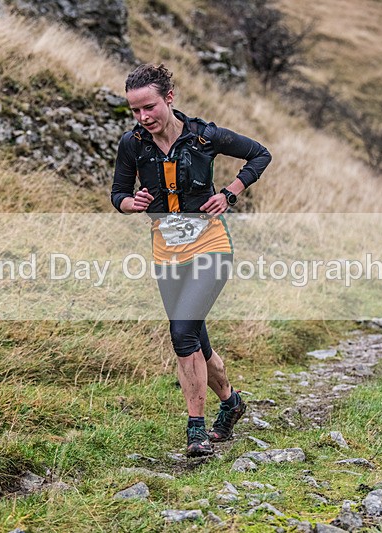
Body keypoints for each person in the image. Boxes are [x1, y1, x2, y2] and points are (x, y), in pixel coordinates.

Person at [110, 64, 272, 457]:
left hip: (210, 247)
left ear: (169, 98)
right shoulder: (133, 144)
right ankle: (231, 403)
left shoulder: (203, 136)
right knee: (197, 341)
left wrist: (230, 193)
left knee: (182, 334)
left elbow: (259, 155)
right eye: (134, 111)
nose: (143, 117)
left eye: (148, 107)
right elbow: (118, 194)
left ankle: (195, 429)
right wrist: (134, 204)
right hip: (166, 254)